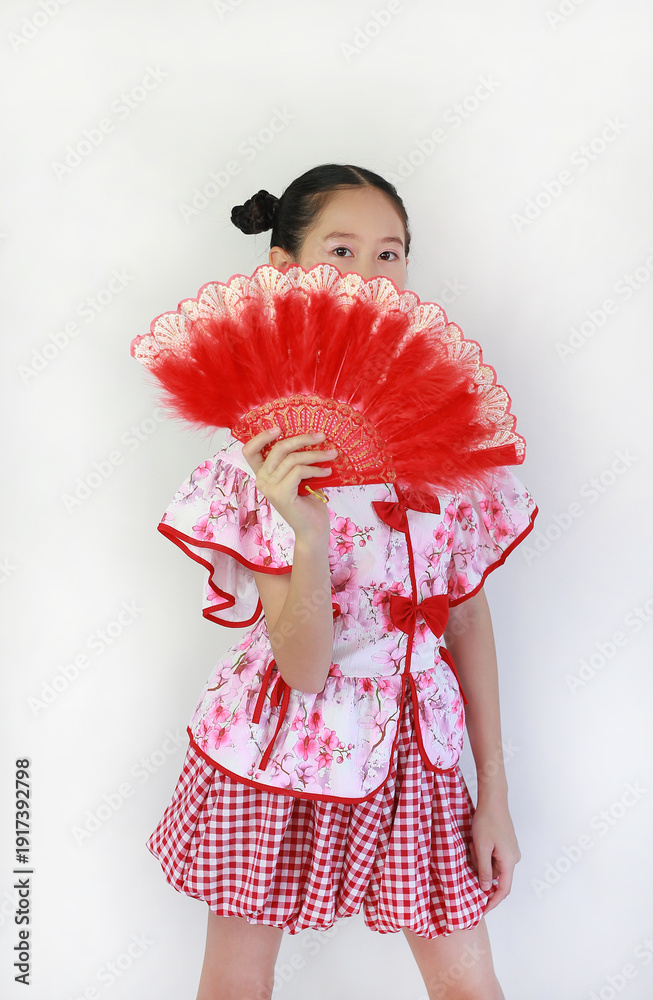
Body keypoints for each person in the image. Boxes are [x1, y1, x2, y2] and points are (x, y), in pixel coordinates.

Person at [144, 163, 538, 1000]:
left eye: (388, 253)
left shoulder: (447, 434)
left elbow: (467, 620)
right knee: (237, 983)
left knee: (469, 986)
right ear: (284, 269)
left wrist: (493, 795)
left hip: (420, 754)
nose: (367, 276)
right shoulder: (262, 457)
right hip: (277, 751)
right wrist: (308, 534)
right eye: (341, 250)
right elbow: (302, 669)